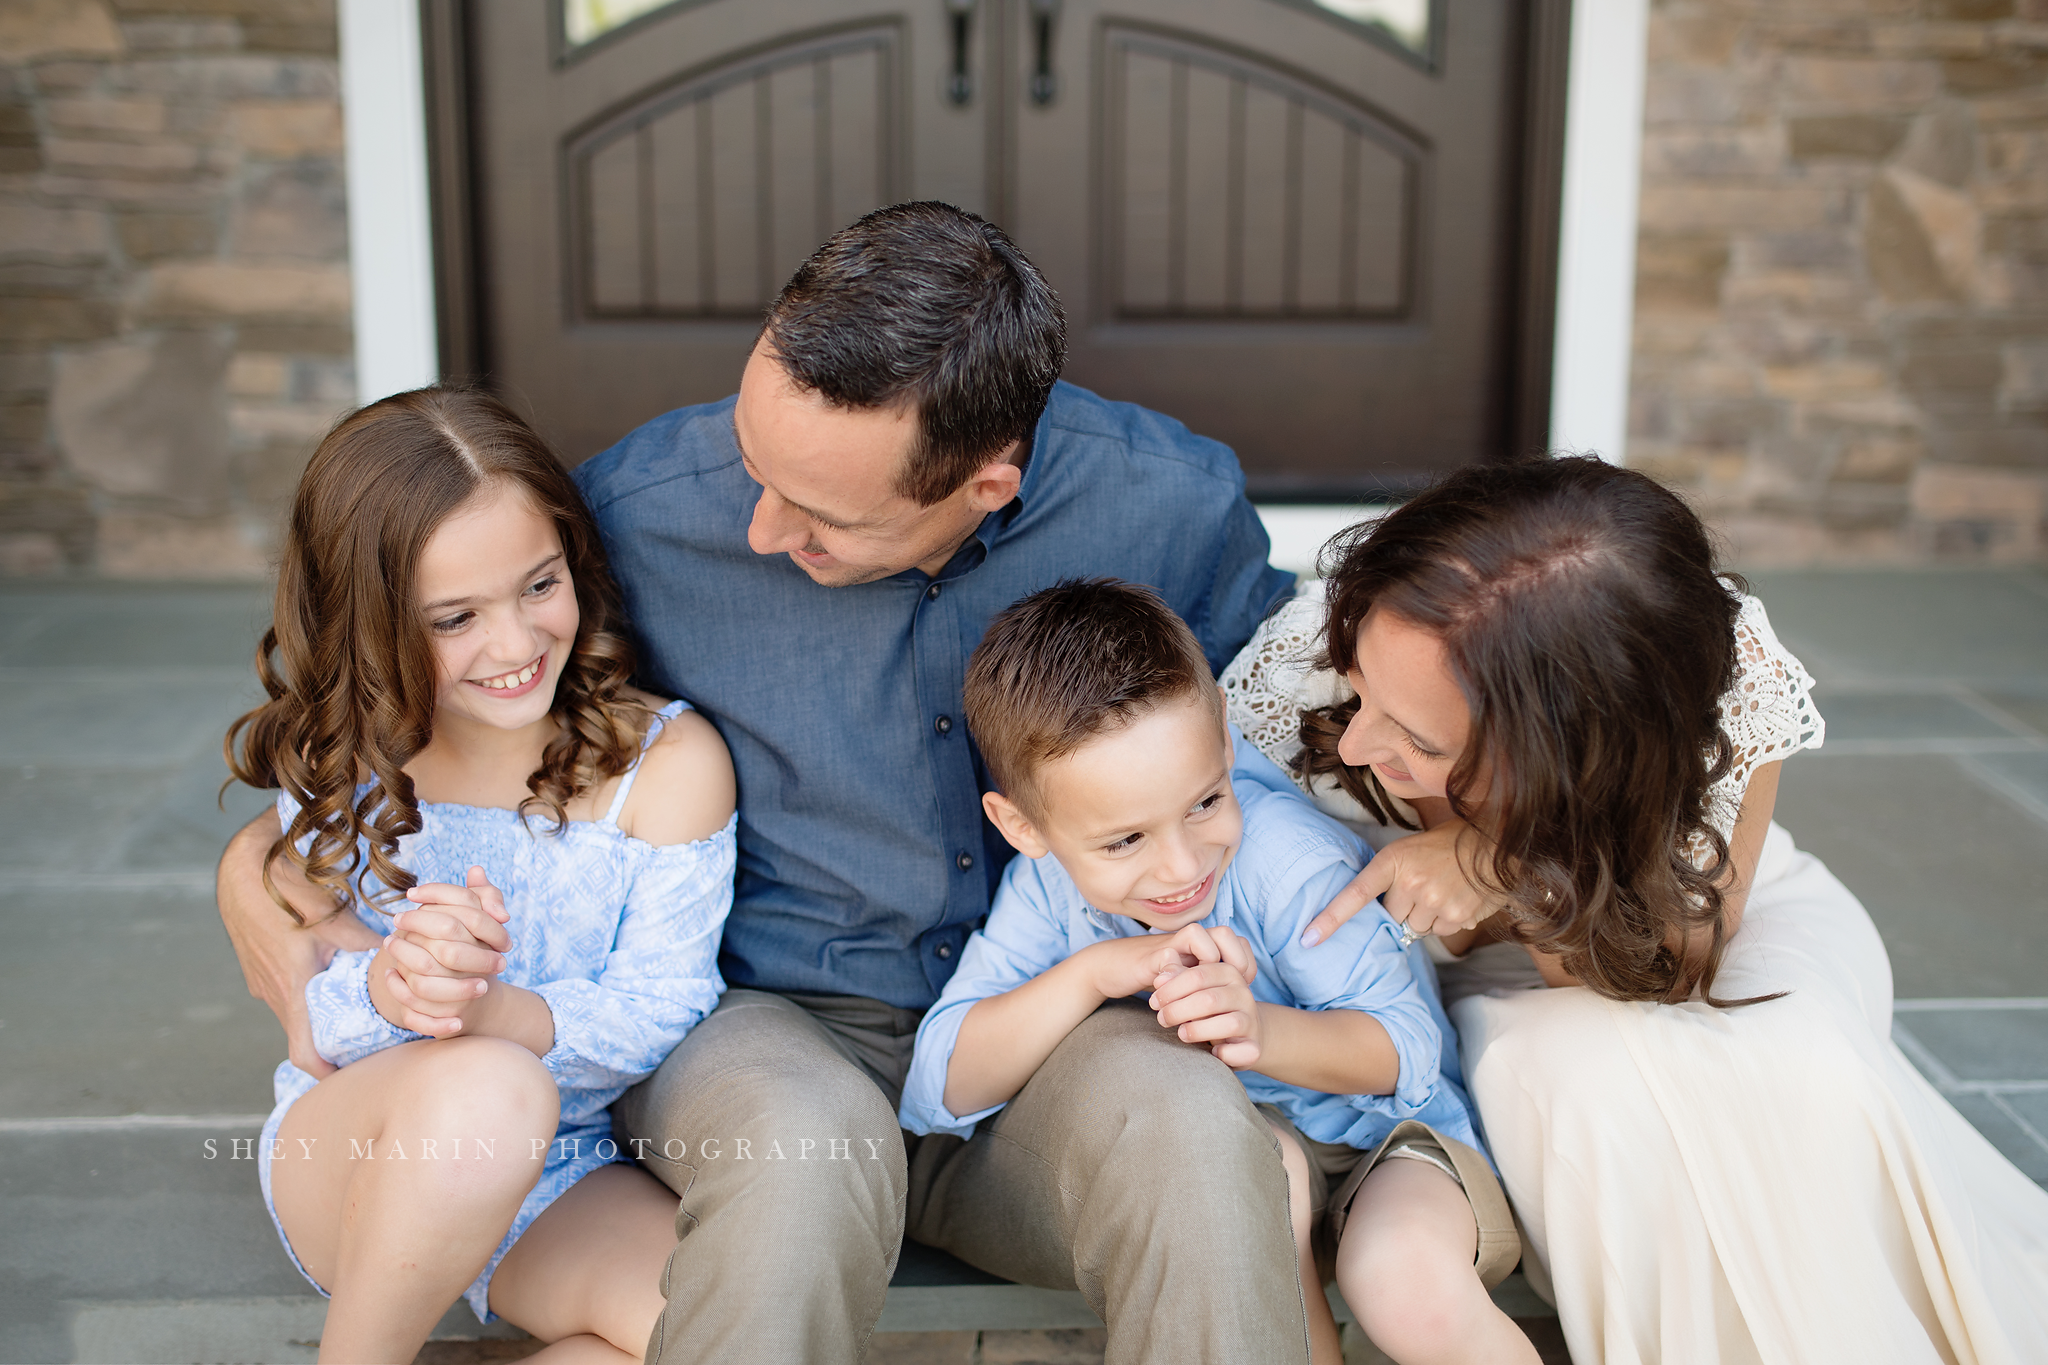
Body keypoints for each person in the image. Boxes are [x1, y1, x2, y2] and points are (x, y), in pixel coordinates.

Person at [216, 202, 1302, 1364]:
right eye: (753, 461)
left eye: (822, 514)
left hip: (1052, 1019)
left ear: (985, 485)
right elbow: (453, 715)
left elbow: (1294, 737)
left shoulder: (1172, 504)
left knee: (1195, 1136)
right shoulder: (631, 515)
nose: (759, 525)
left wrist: (1441, 848)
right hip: (768, 1031)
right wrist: (255, 866)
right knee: (795, 1148)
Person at [1220, 453, 2048, 1365]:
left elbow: (1671, 965)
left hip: (1685, 920)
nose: (1364, 738)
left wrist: (1509, 866)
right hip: (1442, 983)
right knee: (1580, 1078)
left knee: (1796, 1060)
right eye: (1359, 686)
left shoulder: (1708, 673)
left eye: (1420, 740)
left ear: (1577, 757)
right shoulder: (1323, 657)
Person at [224, 388, 737, 1363]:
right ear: (371, 625)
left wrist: (504, 1010)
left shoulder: (667, 768)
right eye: (454, 617)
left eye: (539, 586)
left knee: (717, 1331)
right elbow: (319, 1025)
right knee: (486, 1091)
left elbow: (665, 1001)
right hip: (364, 1155)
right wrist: (394, 987)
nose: (513, 646)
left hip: (565, 1171)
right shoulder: (352, 764)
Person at [899, 579, 1533, 1365]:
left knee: (1402, 1280)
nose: (1181, 865)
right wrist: (1097, 969)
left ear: (1225, 742)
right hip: (1258, 1157)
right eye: (1125, 841)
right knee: (1263, 1187)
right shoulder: (1048, 889)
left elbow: (1405, 1048)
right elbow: (941, 1083)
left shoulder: (1281, 859)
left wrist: (1259, 1030)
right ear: (1022, 826)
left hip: (1391, 1139)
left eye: (1204, 802)